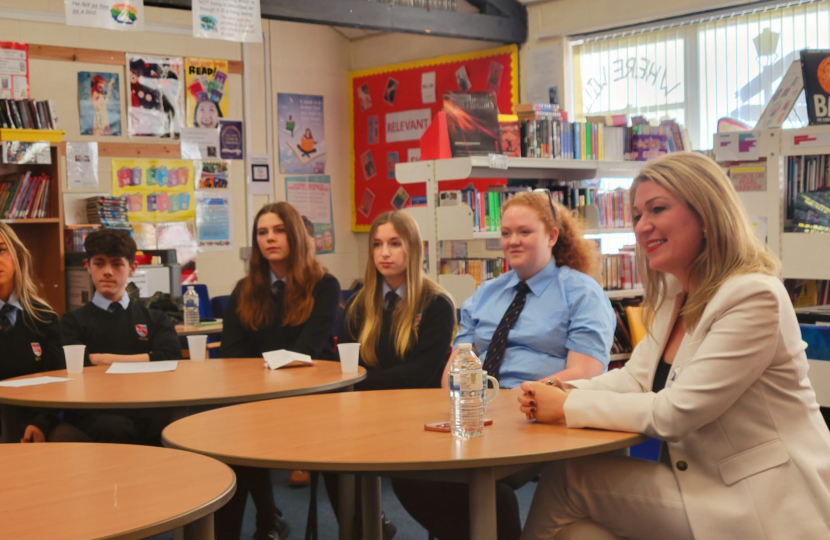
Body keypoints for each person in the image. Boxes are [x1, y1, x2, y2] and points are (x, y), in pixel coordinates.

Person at [517, 152, 830, 540]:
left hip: (762, 502)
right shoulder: (676, 295)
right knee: (577, 535)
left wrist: (565, 406)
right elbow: (635, 379)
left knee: (569, 480)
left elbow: (675, 412)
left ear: (707, 214)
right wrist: (559, 390)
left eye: (658, 209)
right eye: (636, 216)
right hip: (702, 483)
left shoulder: (754, 296)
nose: (643, 226)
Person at [394, 191, 616, 540]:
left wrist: (518, 397)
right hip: (476, 411)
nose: (513, 241)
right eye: (506, 233)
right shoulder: (486, 293)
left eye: (525, 232)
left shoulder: (581, 293)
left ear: (552, 236)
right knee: (409, 472)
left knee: (482, 490)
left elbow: (586, 371)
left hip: (535, 415)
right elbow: (457, 364)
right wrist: (463, 396)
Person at [324, 211, 455, 540]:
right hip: (366, 411)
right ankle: (362, 529)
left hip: (417, 412)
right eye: (377, 244)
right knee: (328, 449)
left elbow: (421, 374)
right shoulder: (357, 305)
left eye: (395, 244)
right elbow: (348, 365)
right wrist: (354, 385)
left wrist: (358, 384)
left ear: (412, 248)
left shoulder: (436, 303)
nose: (384, 253)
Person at [217, 202, 341, 540]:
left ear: (296, 235)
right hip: (257, 398)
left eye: (279, 230)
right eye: (262, 232)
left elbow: (306, 351)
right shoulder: (245, 290)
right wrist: (261, 377)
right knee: (229, 436)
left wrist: (261, 370)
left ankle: (364, 519)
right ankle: (264, 519)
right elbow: (230, 356)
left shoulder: (324, 284)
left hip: (313, 395)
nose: (270, 238)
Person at [60, 229, 182, 445]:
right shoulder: (72, 321)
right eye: (99, 263)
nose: (107, 272)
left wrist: (101, 359)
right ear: (87, 266)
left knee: (175, 425)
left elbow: (170, 357)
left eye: (117, 264)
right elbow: (72, 362)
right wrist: (146, 358)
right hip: (96, 408)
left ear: (132, 268)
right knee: (114, 429)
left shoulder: (155, 319)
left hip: (148, 404)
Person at [0, 223, 67, 443]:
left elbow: (57, 382)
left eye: (1, 250)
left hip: (32, 421)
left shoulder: (44, 317)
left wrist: (40, 423)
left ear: (17, 256)